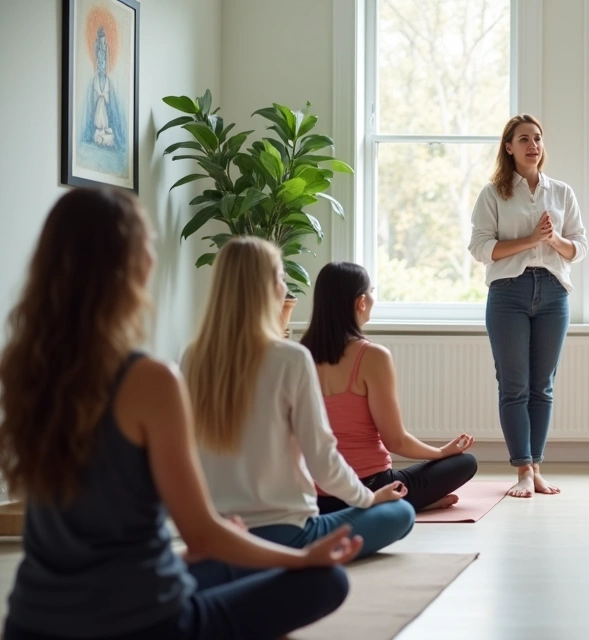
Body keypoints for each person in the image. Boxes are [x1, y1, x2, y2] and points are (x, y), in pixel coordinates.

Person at [1, 188, 359, 640]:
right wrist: (302, 558)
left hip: (30, 624)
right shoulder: (150, 380)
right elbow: (203, 535)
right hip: (145, 624)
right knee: (327, 580)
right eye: (148, 243)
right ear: (129, 266)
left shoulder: (24, 374)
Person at [184, 237, 415, 559]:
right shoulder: (290, 358)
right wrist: (368, 498)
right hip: (288, 532)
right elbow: (322, 458)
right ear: (266, 289)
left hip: (222, 532)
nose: (285, 290)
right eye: (280, 278)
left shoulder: (193, 357)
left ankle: (238, 561)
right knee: (400, 513)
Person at [468, 114, 587, 498]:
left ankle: (536, 467)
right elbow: (481, 249)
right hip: (508, 293)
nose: (533, 145)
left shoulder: (562, 192)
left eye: (537, 138)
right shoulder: (494, 194)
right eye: (524, 139)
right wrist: (530, 239)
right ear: (509, 147)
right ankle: (521, 469)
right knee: (514, 386)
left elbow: (579, 247)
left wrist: (552, 242)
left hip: (554, 292)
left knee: (543, 387)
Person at [300, 261, 478, 514]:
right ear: (361, 302)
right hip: (370, 488)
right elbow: (396, 440)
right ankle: (406, 501)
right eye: (372, 292)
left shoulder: (297, 354)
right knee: (465, 463)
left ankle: (406, 500)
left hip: (313, 495)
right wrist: (440, 452)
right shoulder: (372, 356)